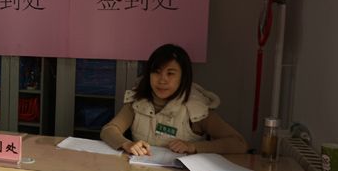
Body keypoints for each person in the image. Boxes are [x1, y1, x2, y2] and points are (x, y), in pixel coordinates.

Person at [100, 43, 248, 156]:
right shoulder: (138, 101)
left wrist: (193, 147)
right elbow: (109, 130)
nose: (162, 80)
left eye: (170, 73)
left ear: (183, 77)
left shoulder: (196, 108)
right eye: (156, 72)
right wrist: (126, 144)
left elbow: (239, 143)